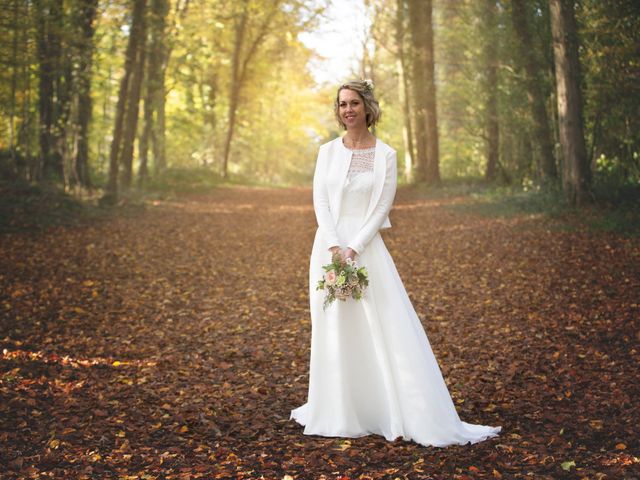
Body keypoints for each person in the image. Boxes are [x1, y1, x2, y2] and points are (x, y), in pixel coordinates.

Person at [289, 80, 501, 447]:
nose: (348, 110)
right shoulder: (326, 152)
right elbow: (320, 201)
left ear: (368, 107)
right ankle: (340, 408)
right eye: (342, 104)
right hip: (327, 247)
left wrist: (353, 248)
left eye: (354, 103)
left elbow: (381, 207)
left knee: (381, 323)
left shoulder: (386, 155)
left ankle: (389, 405)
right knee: (334, 323)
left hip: (366, 250)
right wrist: (335, 246)